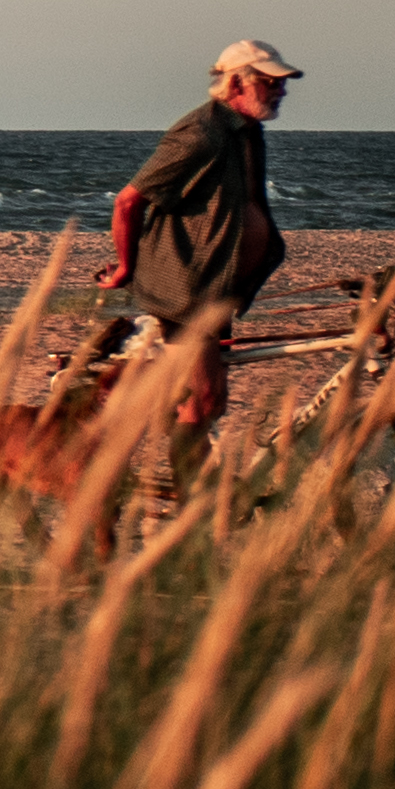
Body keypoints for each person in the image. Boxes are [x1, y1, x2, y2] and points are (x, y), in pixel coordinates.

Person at [106, 39, 299, 497]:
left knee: (211, 402)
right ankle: (192, 508)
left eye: (281, 83)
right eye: (270, 82)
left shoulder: (245, 132)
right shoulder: (201, 133)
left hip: (218, 287)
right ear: (235, 82)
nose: (280, 91)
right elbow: (129, 201)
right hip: (185, 290)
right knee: (201, 402)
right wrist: (124, 268)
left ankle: (182, 474)